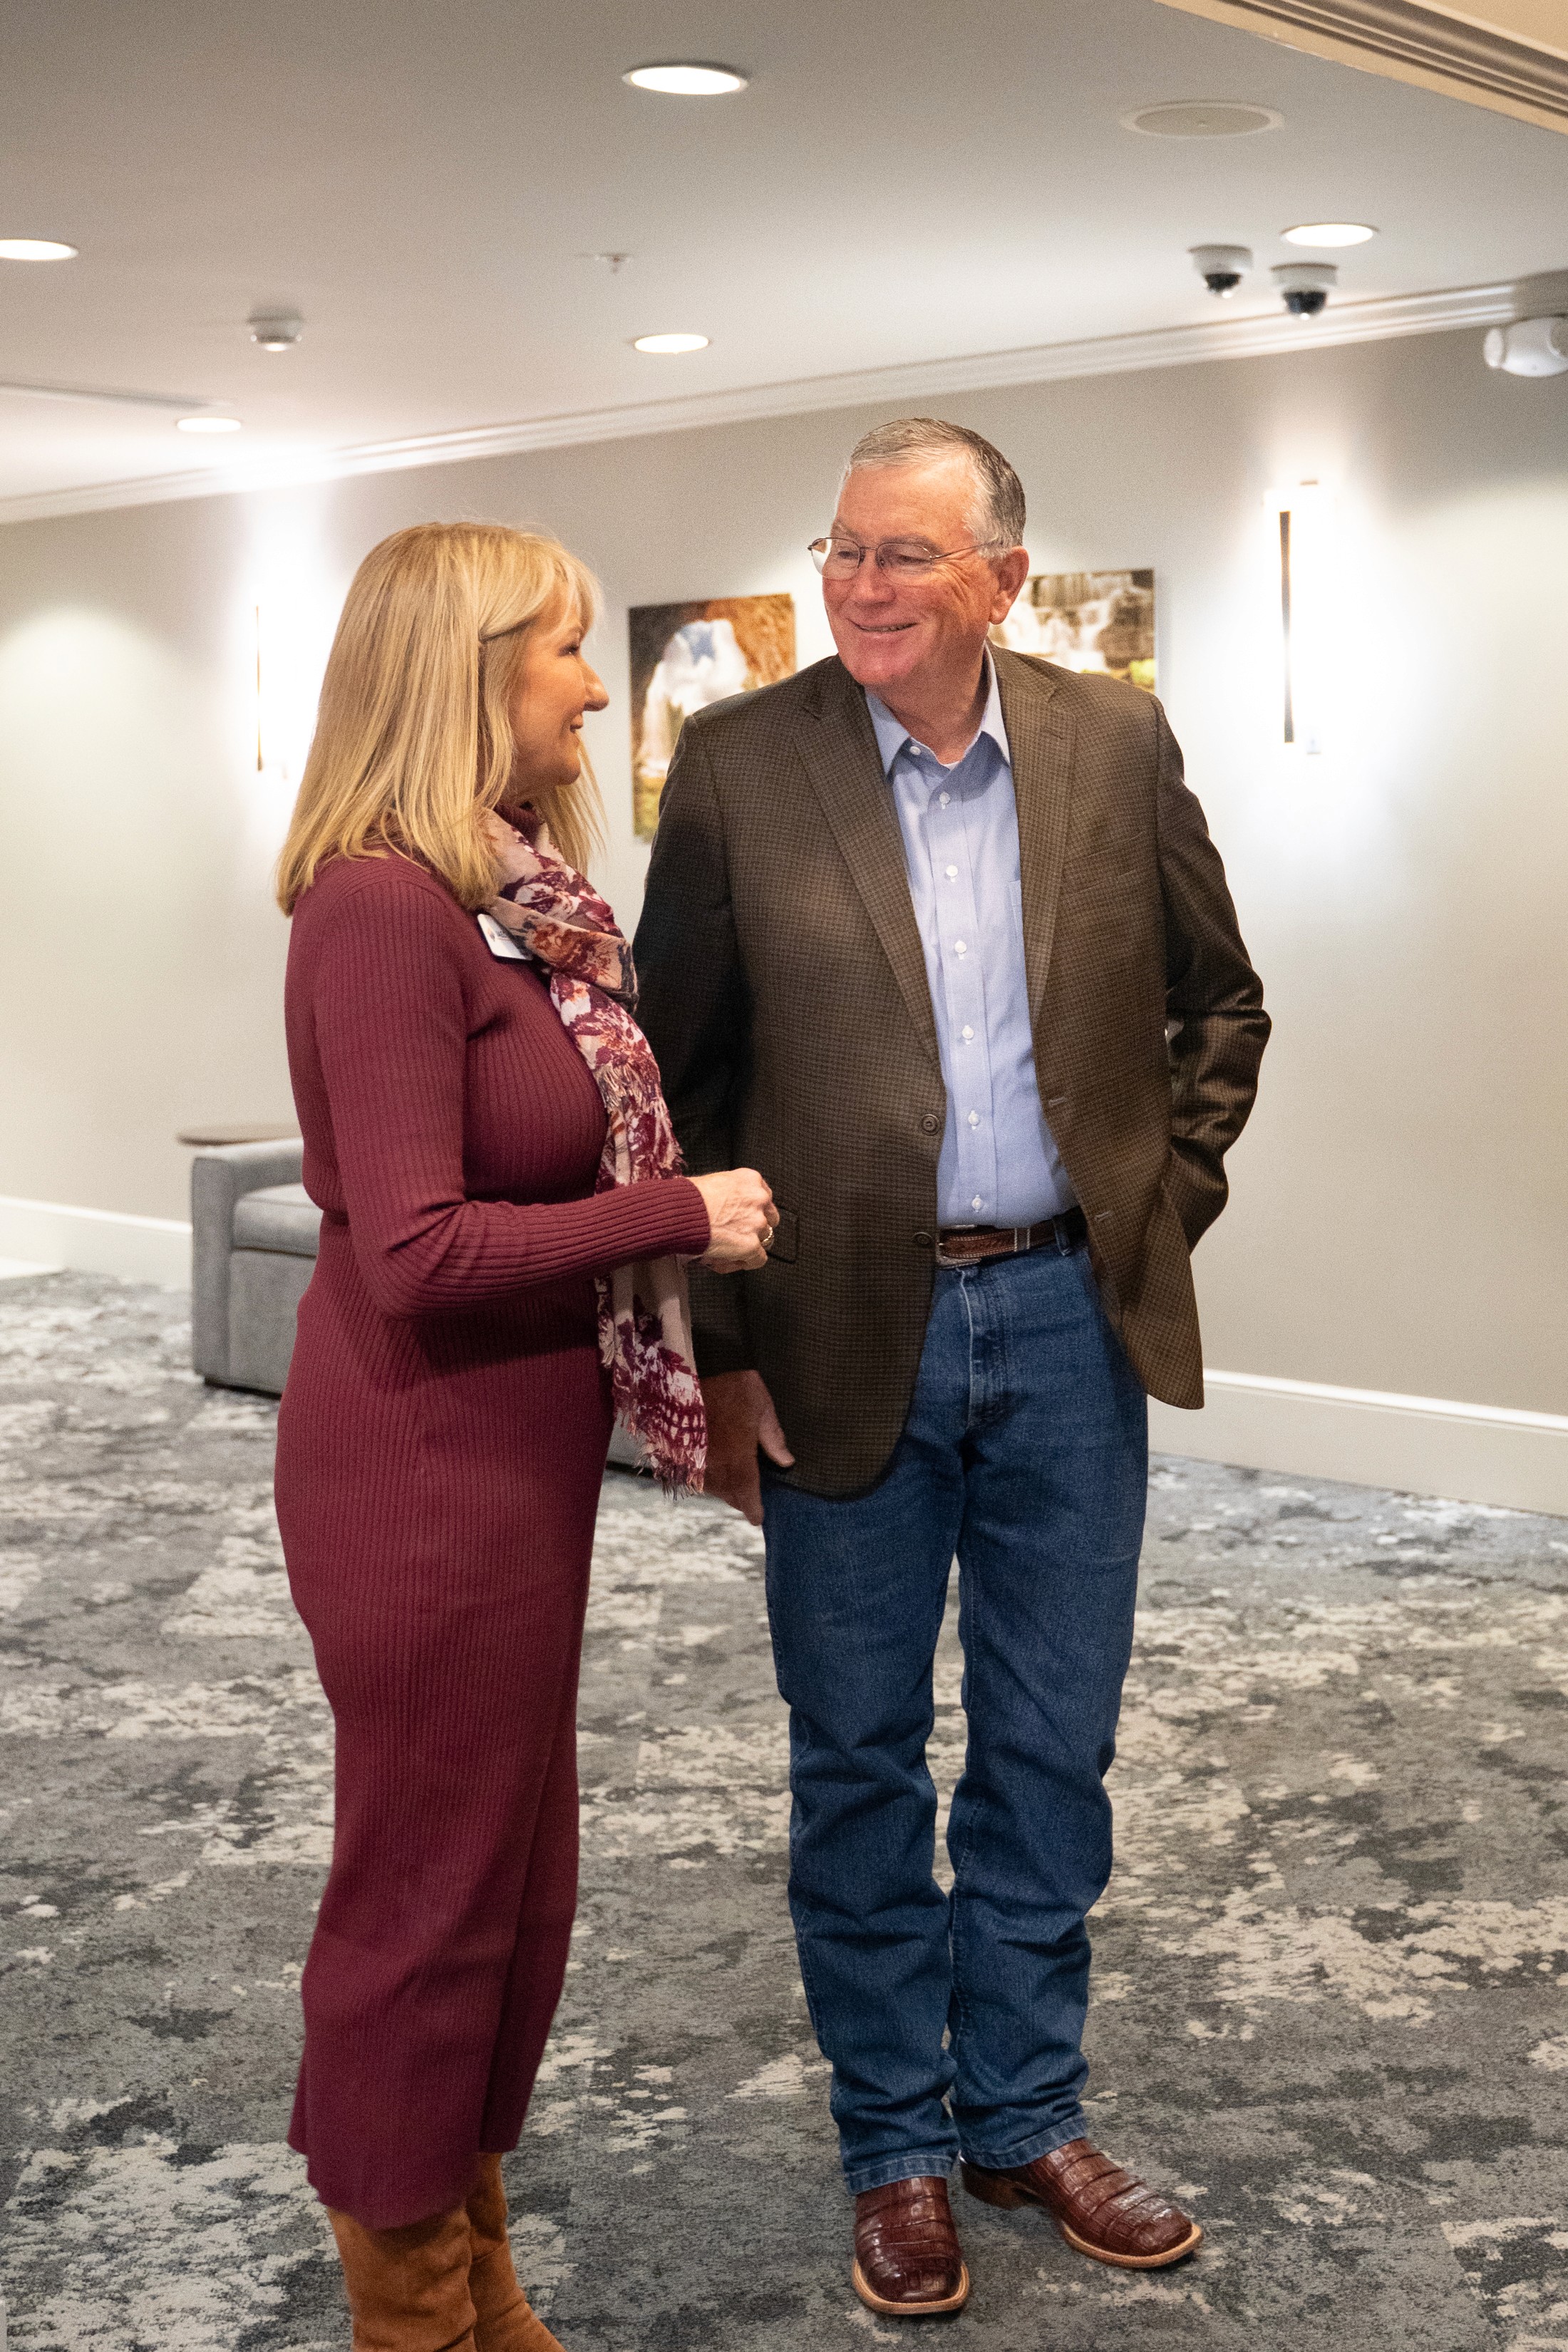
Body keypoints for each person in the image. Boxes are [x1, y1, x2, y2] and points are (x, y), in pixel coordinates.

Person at [634, 418, 1269, 2318]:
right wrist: (721, 1354)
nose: (859, 585)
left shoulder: (1110, 742)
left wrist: (1156, 1201)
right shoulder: (740, 763)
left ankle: (1023, 2114)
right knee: (854, 1754)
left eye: (902, 553)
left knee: (1051, 1743)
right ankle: (893, 2147)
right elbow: (682, 1087)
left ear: (1001, 575)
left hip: (1069, 1317)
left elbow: (1216, 1001)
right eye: (841, 549)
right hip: (836, 1328)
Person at [272, 522, 775, 2352]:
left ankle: (475, 2276)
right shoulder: (380, 909)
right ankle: (408, 2310)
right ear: (466, 672)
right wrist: (675, 1214)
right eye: (562, 648)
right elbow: (411, 1250)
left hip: (512, 1456)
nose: (590, 684)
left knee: (511, 1883)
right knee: (428, 1898)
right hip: (419, 1469)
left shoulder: (505, 891)